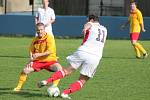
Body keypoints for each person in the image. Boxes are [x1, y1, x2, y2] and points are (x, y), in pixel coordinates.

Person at [37, 15, 107, 99]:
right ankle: (65, 93)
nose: (86, 22)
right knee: (82, 80)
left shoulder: (90, 24)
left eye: (87, 20)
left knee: (66, 71)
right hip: (95, 56)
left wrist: (85, 28)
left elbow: (88, 25)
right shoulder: (105, 29)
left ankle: (46, 81)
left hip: (83, 51)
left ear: (91, 20)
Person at [13, 23, 62, 92]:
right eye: (38, 30)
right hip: (38, 61)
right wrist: (30, 61)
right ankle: (18, 87)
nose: (40, 31)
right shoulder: (35, 40)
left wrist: (39, 54)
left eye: (41, 29)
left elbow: (50, 51)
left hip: (49, 60)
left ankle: (54, 86)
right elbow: (31, 51)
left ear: (44, 29)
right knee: (25, 70)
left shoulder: (49, 37)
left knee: (59, 69)